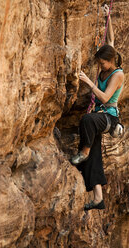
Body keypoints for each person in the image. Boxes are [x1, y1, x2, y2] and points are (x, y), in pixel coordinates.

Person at [70, 4, 124, 211]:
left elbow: (105, 96)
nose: (100, 67)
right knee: (94, 154)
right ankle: (98, 197)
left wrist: (88, 82)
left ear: (110, 61)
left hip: (109, 118)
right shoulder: (109, 56)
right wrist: (107, 17)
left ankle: (83, 151)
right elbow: (110, 41)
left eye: (102, 64)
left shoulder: (118, 74)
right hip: (100, 116)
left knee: (87, 120)